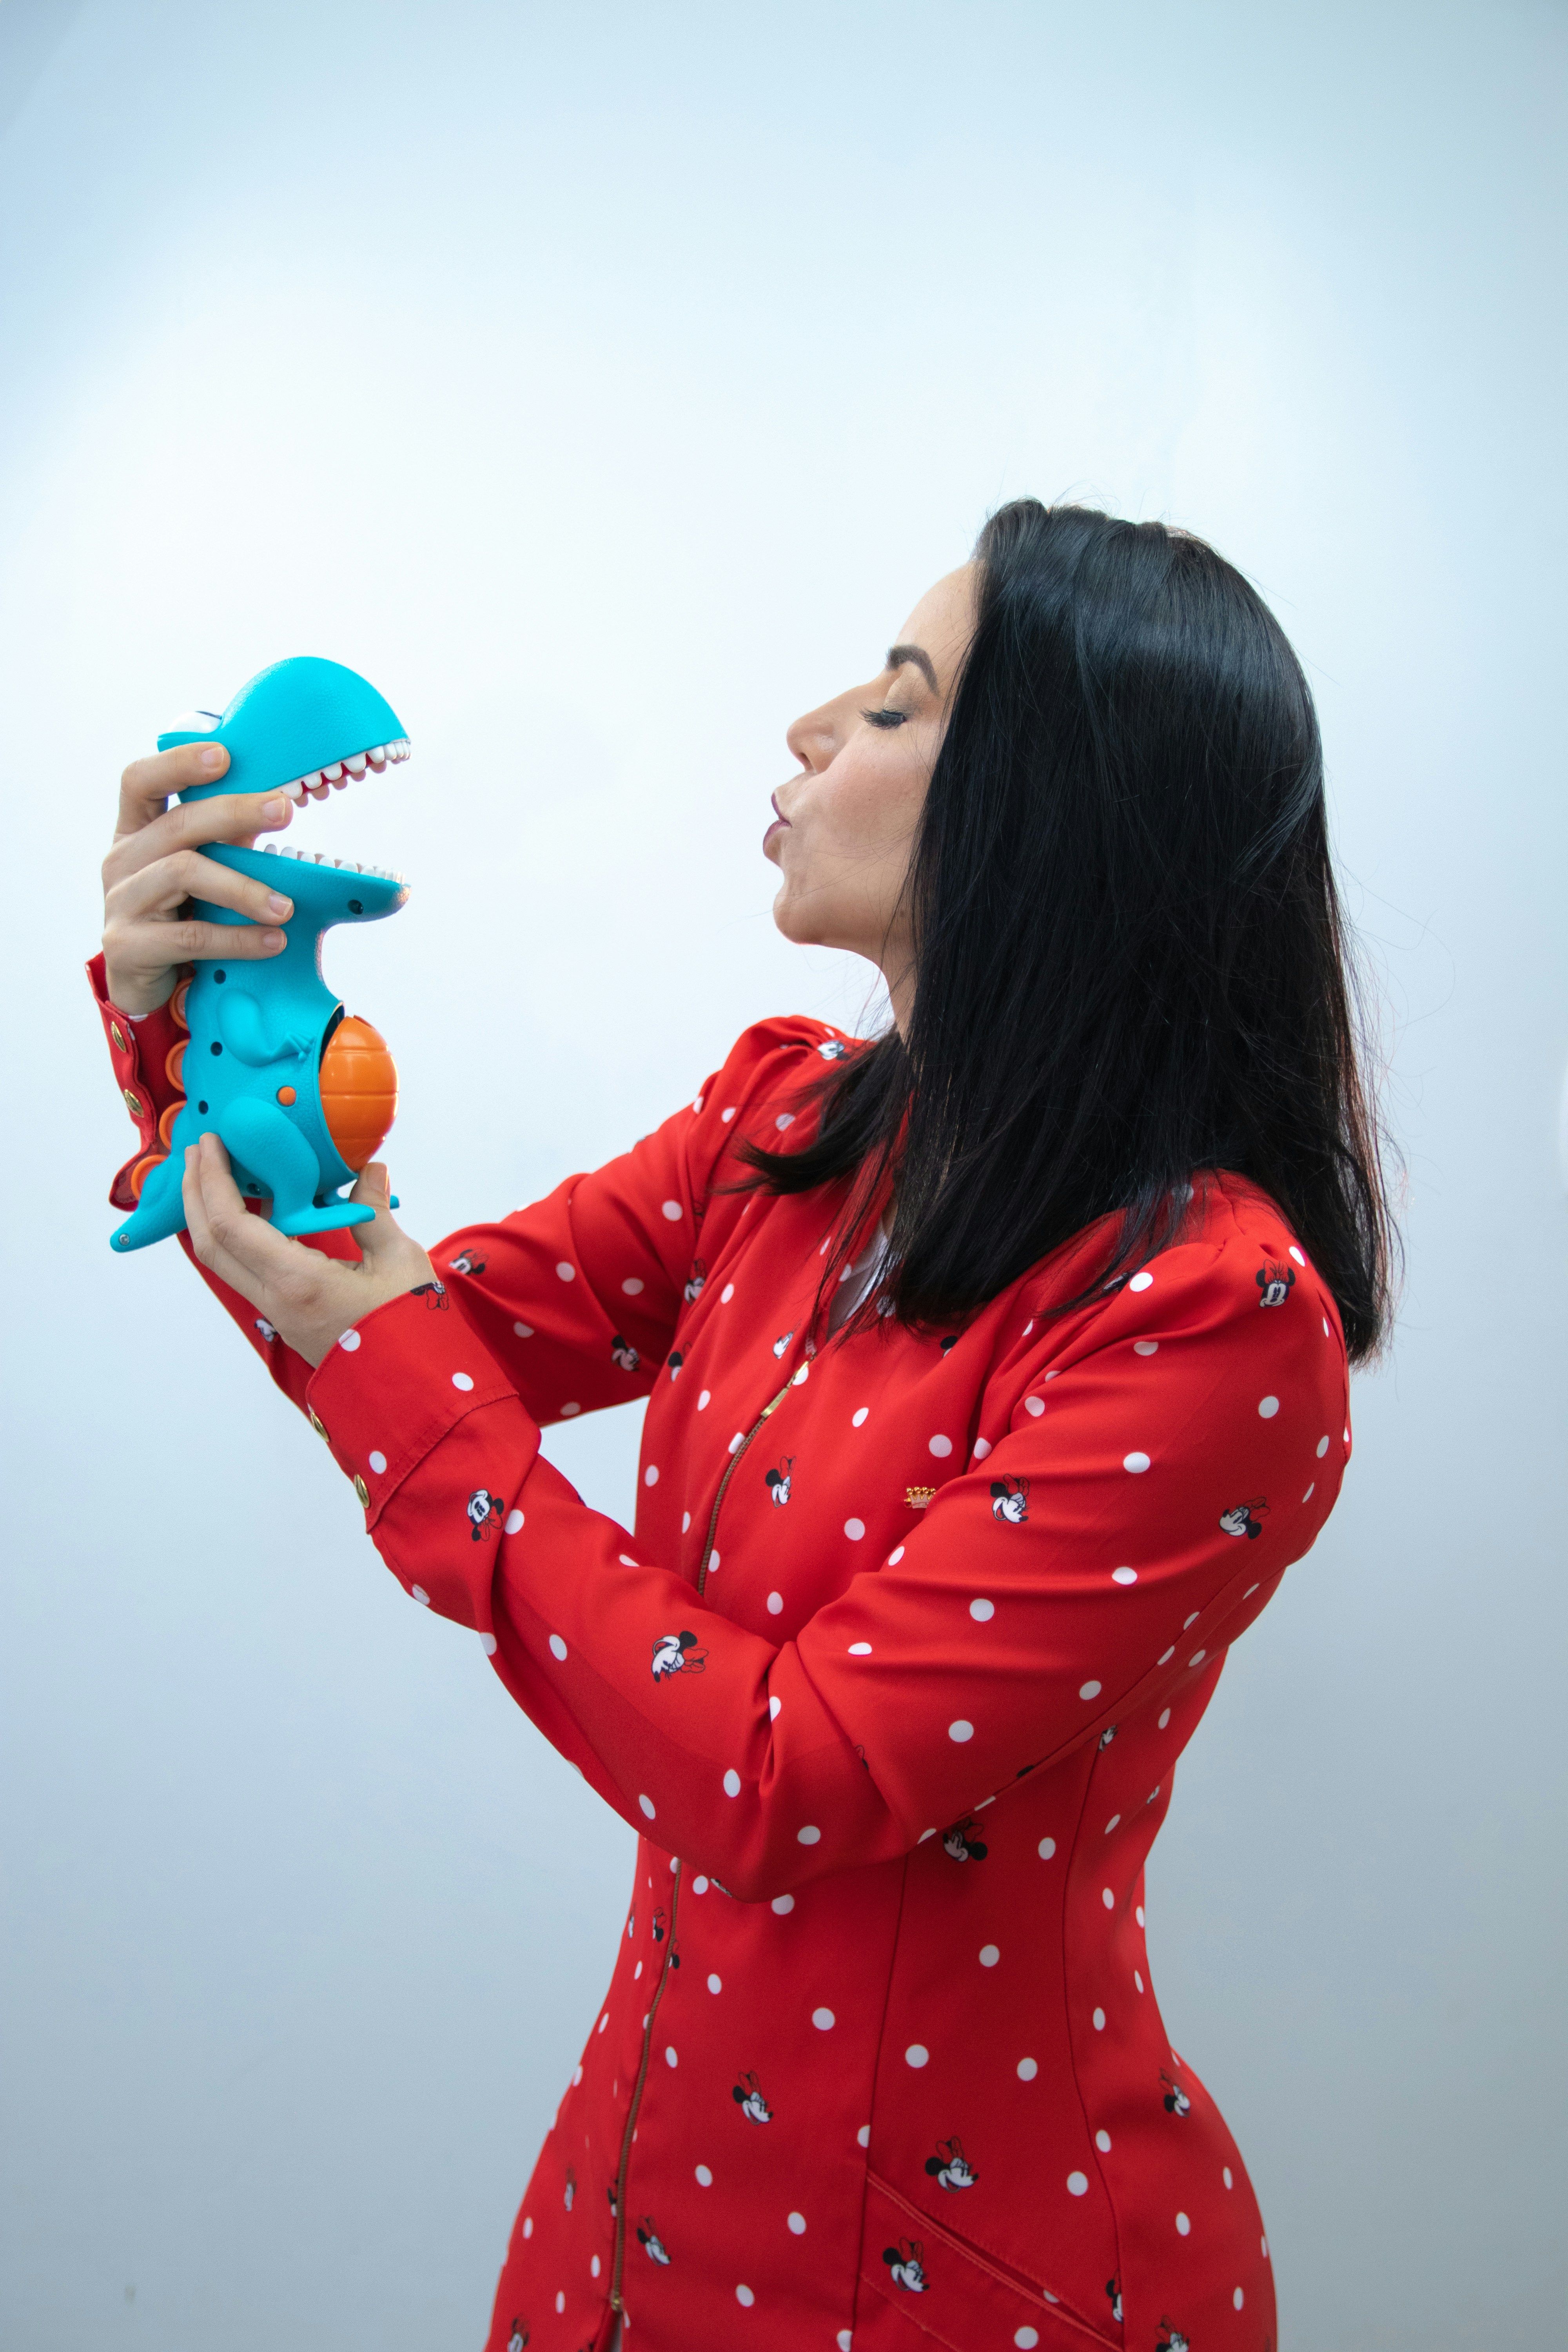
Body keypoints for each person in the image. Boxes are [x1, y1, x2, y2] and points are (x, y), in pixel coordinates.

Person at [91, 499, 1392, 2352]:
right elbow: (387, 1331)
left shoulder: (1210, 1321)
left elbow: (795, 1777)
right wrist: (195, 1031)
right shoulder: (784, 1135)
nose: (810, 728)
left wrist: (391, 1352)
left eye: (896, 700)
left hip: (968, 2290)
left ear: (1050, 801)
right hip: (618, 2233)